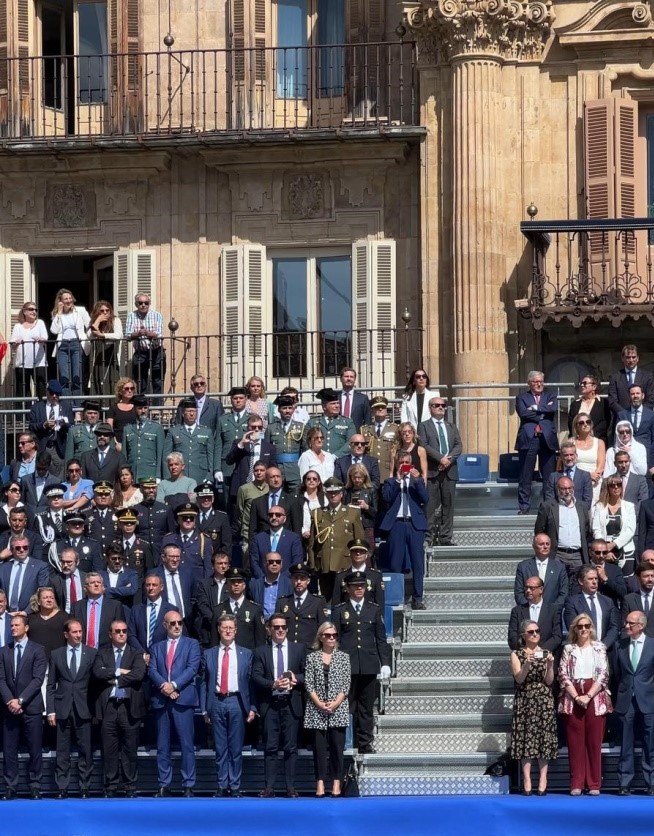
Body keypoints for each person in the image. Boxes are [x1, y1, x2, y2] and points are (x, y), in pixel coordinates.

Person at [331, 571, 391, 754]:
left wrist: (385, 662)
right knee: (345, 705)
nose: (359, 589)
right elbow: (335, 639)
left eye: (362, 586)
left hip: (368, 664)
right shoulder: (340, 610)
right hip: (346, 665)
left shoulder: (373, 609)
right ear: (347, 588)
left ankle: (365, 743)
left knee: (365, 708)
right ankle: (346, 741)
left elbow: (380, 638)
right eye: (355, 586)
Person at [200, 613, 256, 797]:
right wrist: (204, 708)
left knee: (235, 747)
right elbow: (203, 682)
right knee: (220, 747)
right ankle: (222, 784)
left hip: (237, 701)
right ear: (218, 630)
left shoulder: (246, 654)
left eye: (231, 627)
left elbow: (251, 683)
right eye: (224, 627)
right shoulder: (209, 653)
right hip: (216, 701)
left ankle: (235, 785)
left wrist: (253, 707)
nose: (228, 631)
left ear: (236, 631)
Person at [251, 613, 306, 797]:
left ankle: (291, 788)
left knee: (291, 748)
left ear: (287, 628)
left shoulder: (298, 649)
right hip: (271, 704)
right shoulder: (261, 651)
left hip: (291, 704)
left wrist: (294, 679)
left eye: (283, 627)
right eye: (276, 627)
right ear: (269, 629)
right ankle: (270, 787)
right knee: (270, 748)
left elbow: (307, 675)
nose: (280, 630)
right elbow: (256, 676)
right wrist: (272, 684)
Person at [148, 610, 202, 796]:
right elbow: (152, 670)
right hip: (162, 699)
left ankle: (188, 784)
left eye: (179, 622)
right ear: (165, 625)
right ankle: (164, 784)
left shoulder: (192, 644)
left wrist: (174, 685)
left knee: (187, 744)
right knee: (163, 746)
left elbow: (192, 668)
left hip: (183, 699)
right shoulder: (156, 647)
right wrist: (164, 685)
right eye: (172, 623)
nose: (177, 626)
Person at [92, 619, 147, 797]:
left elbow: (138, 674)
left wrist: (114, 678)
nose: (122, 634)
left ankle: (130, 785)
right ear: (110, 634)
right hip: (109, 707)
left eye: (124, 631)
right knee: (109, 749)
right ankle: (111, 785)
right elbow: (97, 673)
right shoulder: (102, 652)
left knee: (130, 748)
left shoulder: (136, 653)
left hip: (129, 707)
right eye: (118, 631)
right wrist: (120, 671)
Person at [558, 613, 611, 795]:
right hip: (573, 697)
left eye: (587, 626)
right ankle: (576, 783)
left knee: (594, 741)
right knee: (575, 742)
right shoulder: (568, 649)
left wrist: (588, 696)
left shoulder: (599, 648)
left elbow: (604, 674)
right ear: (575, 629)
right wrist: (576, 696)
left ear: (591, 628)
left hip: (594, 696)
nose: (584, 629)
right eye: (580, 626)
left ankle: (594, 783)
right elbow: (563, 674)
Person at [46, 618, 96, 798]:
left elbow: (95, 684)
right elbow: (51, 684)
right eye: (74, 632)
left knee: (85, 750)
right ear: (66, 634)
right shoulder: (56, 654)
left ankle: (85, 787)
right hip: (62, 708)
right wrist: (50, 710)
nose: (78, 635)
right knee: (62, 750)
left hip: (83, 708)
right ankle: (62, 787)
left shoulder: (91, 653)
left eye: (80, 632)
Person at [0, 614, 47, 799]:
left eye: (17, 625)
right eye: (11, 625)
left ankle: (35, 785)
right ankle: (10, 787)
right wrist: (10, 701)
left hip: (31, 707)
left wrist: (20, 700)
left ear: (26, 628)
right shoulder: (4, 651)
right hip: (8, 707)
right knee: (9, 749)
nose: (13, 628)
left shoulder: (38, 650)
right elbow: (1, 679)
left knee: (34, 748)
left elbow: (38, 679)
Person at [509, 619, 557, 795]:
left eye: (537, 631)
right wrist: (528, 663)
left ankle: (543, 777)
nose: (535, 634)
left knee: (544, 737)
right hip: (525, 698)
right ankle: (527, 778)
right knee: (526, 738)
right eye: (531, 632)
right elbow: (519, 678)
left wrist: (550, 665)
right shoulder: (516, 654)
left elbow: (549, 681)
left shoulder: (545, 653)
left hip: (543, 698)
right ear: (524, 635)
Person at [304, 620, 351, 797]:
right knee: (319, 749)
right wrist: (319, 703)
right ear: (321, 637)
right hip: (317, 710)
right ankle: (320, 783)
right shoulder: (312, 657)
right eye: (328, 635)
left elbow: (346, 684)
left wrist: (335, 703)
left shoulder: (344, 657)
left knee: (337, 749)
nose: (331, 638)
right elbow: (309, 684)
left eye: (334, 635)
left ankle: (336, 783)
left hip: (337, 709)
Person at [381, 451, 429, 609]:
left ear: (411, 464)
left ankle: (417, 598)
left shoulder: (416, 480)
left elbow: (425, 498)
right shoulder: (390, 481)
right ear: (396, 464)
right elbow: (387, 498)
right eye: (401, 462)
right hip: (397, 524)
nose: (403, 465)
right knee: (395, 561)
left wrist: (416, 480)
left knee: (418, 563)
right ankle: (396, 596)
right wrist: (398, 480)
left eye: (406, 462)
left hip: (415, 524)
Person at [614, 610, 654, 795]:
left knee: (650, 742)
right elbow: (617, 673)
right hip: (626, 700)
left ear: (641, 625)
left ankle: (651, 782)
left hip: (648, 700)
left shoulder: (653, 645)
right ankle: (624, 782)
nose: (627, 626)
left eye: (631, 623)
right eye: (626, 623)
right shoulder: (620, 645)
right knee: (625, 742)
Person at [308, 477, 365, 603]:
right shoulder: (318, 513)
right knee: (326, 600)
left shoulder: (352, 512)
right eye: (330, 493)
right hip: (325, 565)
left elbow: (359, 541)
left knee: (345, 600)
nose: (333, 495)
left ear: (341, 493)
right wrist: (313, 565)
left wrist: (358, 564)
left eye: (336, 492)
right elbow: (312, 544)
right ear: (326, 494)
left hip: (344, 564)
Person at [418, 396, 462, 546]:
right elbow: (423, 444)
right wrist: (440, 458)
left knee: (448, 506)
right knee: (430, 506)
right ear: (430, 408)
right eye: (436, 405)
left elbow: (458, 445)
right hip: (433, 470)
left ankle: (445, 538)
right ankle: (428, 537)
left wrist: (448, 459)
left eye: (443, 405)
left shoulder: (451, 426)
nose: (440, 407)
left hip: (450, 471)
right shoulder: (423, 426)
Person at [514, 371, 559, 515]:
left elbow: (553, 408)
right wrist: (543, 413)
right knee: (525, 475)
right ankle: (524, 507)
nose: (539, 384)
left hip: (547, 439)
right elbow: (523, 413)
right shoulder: (521, 397)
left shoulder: (550, 396)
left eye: (541, 381)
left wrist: (535, 408)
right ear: (529, 383)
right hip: (529, 438)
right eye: (535, 382)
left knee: (549, 476)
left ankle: (549, 507)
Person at [534, 476, 591, 581]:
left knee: (577, 587)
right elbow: (539, 530)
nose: (567, 491)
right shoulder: (548, 506)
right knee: (556, 586)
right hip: (557, 555)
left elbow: (587, 531)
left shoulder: (582, 506)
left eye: (570, 488)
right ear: (558, 489)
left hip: (578, 555)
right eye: (564, 489)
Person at [563, 565, 620, 652]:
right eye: (590, 579)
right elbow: (573, 627)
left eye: (596, 578)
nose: (594, 582)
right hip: (582, 651)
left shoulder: (608, 601)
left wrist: (603, 646)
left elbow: (614, 627)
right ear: (581, 581)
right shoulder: (572, 602)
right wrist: (590, 647)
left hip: (605, 650)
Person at [209, 568, 266, 651]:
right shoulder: (218, 610)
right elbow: (214, 641)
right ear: (227, 585)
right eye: (232, 582)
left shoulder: (255, 609)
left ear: (244, 585)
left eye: (239, 582)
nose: (236, 584)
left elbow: (260, 641)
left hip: (248, 659)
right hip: (225, 657)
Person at [163, 398, 218, 485]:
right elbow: (166, 456)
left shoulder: (206, 432)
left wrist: (210, 476)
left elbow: (210, 455)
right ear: (183, 414)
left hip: (200, 476)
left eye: (194, 411)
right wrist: (167, 478)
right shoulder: (174, 431)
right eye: (188, 411)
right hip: (179, 477)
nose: (191, 414)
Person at [49, 288, 90, 399]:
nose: (68, 300)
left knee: (77, 376)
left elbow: (89, 326)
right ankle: (67, 404)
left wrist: (90, 339)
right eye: (65, 299)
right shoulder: (57, 313)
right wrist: (59, 313)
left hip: (77, 344)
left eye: (70, 298)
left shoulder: (80, 310)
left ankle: (78, 406)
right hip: (62, 346)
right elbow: (54, 330)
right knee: (64, 377)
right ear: (60, 301)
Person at [28, 380, 74, 478]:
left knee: (60, 475)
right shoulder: (37, 407)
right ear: (47, 392)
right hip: (43, 446)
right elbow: (31, 427)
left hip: (59, 447)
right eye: (52, 393)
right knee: (42, 474)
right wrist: (43, 425)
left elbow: (71, 426)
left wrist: (63, 424)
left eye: (57, 394)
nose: (54, 396)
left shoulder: (66, 407)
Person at [225, 414, 277, 500]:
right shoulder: (239, 442)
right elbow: (229, 461)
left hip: (261, 487)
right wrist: (241, 444)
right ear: (248, 428)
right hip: (242, 486)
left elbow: (273, 467)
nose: (257, 429)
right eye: (253, 427)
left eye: (259, 427)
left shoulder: (269, 447)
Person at [592, 476, 637, 574]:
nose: (616, 487)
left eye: (619, 485)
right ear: (607, 488)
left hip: (625, 551)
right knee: (607, 581)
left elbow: (630, 530)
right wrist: (605, 550)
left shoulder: (629, 506)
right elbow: (596, 529)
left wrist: (613, 544)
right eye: (612, 485)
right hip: (604, 553)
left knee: (627, 584)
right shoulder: (599, 506)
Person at [277, 562, 329, 647]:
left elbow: (323, 628)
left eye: (302, 578)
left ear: (308, 581)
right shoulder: (283, 602)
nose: (299, 582)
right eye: (296, 578)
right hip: (289, 650)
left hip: (309, 650)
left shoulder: (318, 602)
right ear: (291, 579)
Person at [128, 572, 178, 659]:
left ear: (161, 587)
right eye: (148, 585)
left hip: (163, 657)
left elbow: (174, 636)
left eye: (154, 585)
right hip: (141, 657)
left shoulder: (171, 610)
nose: (150, 588)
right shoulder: (136, 609)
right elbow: (131, 634)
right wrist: (143, 654)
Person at [513, 534, 569, 609]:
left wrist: (552, 610)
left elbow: (564, 593)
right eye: (541, 544)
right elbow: (519, 593)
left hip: (552, 614)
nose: (545, 547)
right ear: (534, 546)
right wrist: (528, 608)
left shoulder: (559, 567)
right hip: (529, 612)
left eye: (547, 544)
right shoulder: (523, 566)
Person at [125, 293, 165, 397]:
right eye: (140, 303)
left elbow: (159, 334)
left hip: (156, 352)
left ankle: (157, 409)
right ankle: (142, 408)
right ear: (136, 304)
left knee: (157, 382)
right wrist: (138, 334)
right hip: (140, 353)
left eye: (146, 303)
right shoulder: (131, 316)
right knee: (140, 382)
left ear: (149, 304)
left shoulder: (157, 315)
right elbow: (127, 335)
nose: (143, 305)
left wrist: (147, 333)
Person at [70, 573, 125, 649]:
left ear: (103, 587)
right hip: (82, 651)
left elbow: (120, 631)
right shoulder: (76, 606)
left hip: (106, 652)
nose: (96, 585)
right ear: (85, 588)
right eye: (92, 583)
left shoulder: (115, 606)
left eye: (99, 582)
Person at [507, 577, 562, 652]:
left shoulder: (553, 610)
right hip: (524, 656)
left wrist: (541, 651)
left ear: (541, 589)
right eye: (526, 588)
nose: (528, 591)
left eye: (532, 588)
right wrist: (526, 650)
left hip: (546, 656)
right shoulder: (517, 611)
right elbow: (512, 637)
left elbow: (557, 636)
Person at [248, 466, 302, 542]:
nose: (276, 480)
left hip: (285, 544)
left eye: (278, 476)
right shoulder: (257, 502)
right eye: (272, 477)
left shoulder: (292, 501)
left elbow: (297, 528)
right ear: (266, 480)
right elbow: (252, 531)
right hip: (264, 544)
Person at [250, 505, 304, 579]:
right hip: (263, 582)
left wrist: (282, 579)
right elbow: (254, 562)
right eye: (271, 515)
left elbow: (297, 561)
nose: (274, 517)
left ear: (284, 519)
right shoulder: (258, 538)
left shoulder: (293, 538)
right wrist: (263, 578)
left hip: (286, 582)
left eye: (278, 515)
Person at [214, 387, 250, 497]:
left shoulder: (251, 418)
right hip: (227, 467)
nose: (238, 400)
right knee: (227, 501)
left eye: (241, 398)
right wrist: (217, 469)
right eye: (235, 398)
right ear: (231, 400)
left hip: (245, 464)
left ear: (246, 399)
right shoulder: (223, 420)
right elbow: (218, 445)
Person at [0, 534, 50, 612]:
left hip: (30, 615)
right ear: (12, 550)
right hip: (6, 614)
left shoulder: (40, 566)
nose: (22, 550)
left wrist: (26, 612)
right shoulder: (3, 568)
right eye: (18, 548)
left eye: (25, 547)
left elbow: (41, 591)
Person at [9, 301, 48, 401]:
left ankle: (40, 414)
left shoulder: (40, 323)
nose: (34, 311)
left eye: (35, 310)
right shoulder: (18, 326)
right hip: (22, 363)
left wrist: (41, 339)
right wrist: (16, 343)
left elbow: (45, 338)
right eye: (31, 309)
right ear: (24, 312)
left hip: (39, 362)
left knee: (41, 390)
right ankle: (24, 415)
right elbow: (13, 345)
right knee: (22, 392)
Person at [192, 552, 231, 646]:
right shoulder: (204, 584)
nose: (223, 566)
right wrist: (217, 621)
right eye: (220, 563)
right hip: (208, 631)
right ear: (213, 566)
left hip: (228, 631)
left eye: (226, 563)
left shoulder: (232, 584)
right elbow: (202, 605)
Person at [123, 395, 165, 481]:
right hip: (133, 474)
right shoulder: (127, 428)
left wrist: (158, 475)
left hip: (150, 473)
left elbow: (160, 454)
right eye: (140, 408)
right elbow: (125, 454)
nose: (143, 411)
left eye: (145, 408)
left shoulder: (157, 428)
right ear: (134, 409)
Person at [267, 395, 304, 493]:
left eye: (290, 408)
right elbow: (266, 450)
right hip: (277, 469)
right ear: (279, 410)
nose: (287, 411)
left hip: (295, 470)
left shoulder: (301, 427)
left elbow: (305, 450)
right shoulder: (271, 428)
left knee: (295, 498)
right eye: (284, 408)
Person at [304, 388, 356, 457]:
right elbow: (306, 443)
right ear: (324, 406)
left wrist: (335, 456)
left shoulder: (347, 422)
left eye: (338, 403)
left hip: (340, 462)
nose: (337, 406)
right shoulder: (312, 422)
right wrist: (316, 456)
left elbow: (351, 442)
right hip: (318, 461)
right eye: (333, 404)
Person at [334, 539, 385, 608]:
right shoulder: (341, 577)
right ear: (350, 554)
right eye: (355, 551)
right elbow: (336, 605)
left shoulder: (376, 576)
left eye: (361, 551)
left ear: (366, 555)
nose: (358, 554)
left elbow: (380, 605)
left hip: (369, 617)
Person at [87, 299, 123, 396]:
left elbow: (118, 335)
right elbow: (89, 336)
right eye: (102, 311)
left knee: (112, 382)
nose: (105, 313)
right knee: (98, 381)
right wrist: (97, 321)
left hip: (111, 356)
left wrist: (102, 335)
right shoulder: (94, 322)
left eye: (107, 310)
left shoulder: (116, 320)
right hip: (99, 357)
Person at [608, 344, 654, 417]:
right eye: (628, 357)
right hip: (622, 419)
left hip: (642, 419)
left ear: (638, 358)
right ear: (622, 358)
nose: (631, 360)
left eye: (633, 357)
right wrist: (625, 415)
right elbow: (612, 401)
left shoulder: (647, 376)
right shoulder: (615, 377)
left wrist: (639, 414)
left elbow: (651, 400)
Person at [361, 395, 401, 480]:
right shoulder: (364, 430)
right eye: (377, 407)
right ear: (372, 411)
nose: (380, 409)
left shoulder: (395, 428)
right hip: (369, 473)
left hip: (388, 472)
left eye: (382, 407)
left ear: (386, 410)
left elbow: (398, 451)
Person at [569, 414, 606, 506]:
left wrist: (594, 477)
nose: (585, 424)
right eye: (581, 423)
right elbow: (569, 463)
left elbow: (601, 465)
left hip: (595, 482)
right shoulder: (571, 442)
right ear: (576, 426)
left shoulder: (599, 442)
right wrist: (587, 476)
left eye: (588, 422)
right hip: (576, 480)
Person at [543, 440, 594, 506]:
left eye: (571, 454)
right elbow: (549, 500)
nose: (569, 458)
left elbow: (587, 500)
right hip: (559, 513)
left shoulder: (585, 476)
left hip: (578, 513)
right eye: (566, 455)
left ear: (576, 455)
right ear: (561, 457)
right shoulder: (553, 477)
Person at [568, 373, 612, 444]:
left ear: (594, 387)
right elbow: (571, 422)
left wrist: (590, 435)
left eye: (585, 383)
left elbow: (605, 422)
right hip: (578, 441)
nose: (582, 385)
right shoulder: (575, 404)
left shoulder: (603, 403)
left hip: (597, 441)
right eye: (581, 383)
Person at [248, 552, 293, 620]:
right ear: (265, 563)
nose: (274, 564)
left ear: (281, 564)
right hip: (261, 625)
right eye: (271, 562)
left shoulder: (289, 584)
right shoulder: (254, 585)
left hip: (281, 626)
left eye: (278, 562)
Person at [26, 586, 68, 659]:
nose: (49, 600)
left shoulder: (65, 618)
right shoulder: (31, 619)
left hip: (57, 661)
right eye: (45, 598)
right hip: (36, 661)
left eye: (52, 598)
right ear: (38, 601)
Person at [344, 463, 378, 552]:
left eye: (360, 477)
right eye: (354, 477)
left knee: (367, 551)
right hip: (350, 526)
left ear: (365, 477)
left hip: (366, 526)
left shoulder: (371, 490)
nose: (357, 480)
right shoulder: (347, 491)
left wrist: (366, 507)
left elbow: (376, 512)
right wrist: (347, 508)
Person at [99, 542, 140, 608]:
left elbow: (132, 590)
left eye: (120, 558)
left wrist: (106, 590)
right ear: (107, 558)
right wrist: (123, 590)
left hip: (124, 611)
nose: (117, 561)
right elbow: (97, 591)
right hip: (105, 611)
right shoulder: (99, 575)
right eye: (114, 558)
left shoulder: (131, 574)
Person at [293, 469, 328, 545]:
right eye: (308, 479)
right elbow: (297, 518)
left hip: (320, 533)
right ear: (305, 481)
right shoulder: (298, 499)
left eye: (314, 479)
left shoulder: (325, 498)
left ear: (318, 482)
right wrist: (304, 530)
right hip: (303, 535)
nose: (311, 481)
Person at [48, 547, 86, 613]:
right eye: (63, 562)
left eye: (69, 562)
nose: (65, 565)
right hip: (65, 616)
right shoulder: (55, 580)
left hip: (83, 615)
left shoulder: (86, 578)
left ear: (77, 562)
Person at [106, 377, 138, 452]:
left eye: (132, 388)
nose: (130, 391)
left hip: (134, 444)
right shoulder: (113, 408)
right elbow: (109, 427)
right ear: (120, 391)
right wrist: (116, 443)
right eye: (126, 388)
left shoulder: (137, 407)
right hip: (118, 445)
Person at [623, 563, 654, 635]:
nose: (650, 579)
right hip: (636, 643)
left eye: (652, 576)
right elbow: (624, 627)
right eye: (646, 576)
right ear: (638, 578)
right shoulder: (629, 599)